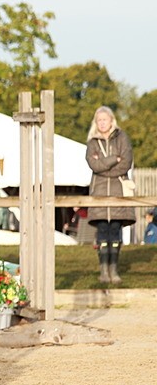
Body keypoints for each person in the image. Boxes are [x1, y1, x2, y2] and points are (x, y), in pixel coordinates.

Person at [85, 105, 134, 284]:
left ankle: (114, 269)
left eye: (105, 119)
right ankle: (103, 270)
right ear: (96, 123)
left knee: (115, 230)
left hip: (118, 191)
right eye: (99, 120)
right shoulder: (92, 143)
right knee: (102, 233)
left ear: (111, 120)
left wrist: (104, 166)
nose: (102, 123)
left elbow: (126, 162)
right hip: (99, 191)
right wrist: (114, 159)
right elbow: (93, 165)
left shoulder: (122, 138)